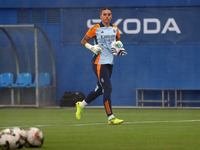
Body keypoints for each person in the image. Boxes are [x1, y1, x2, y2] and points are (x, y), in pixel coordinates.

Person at [76, 7, 124, 125]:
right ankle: (111, 118)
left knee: (101, 89)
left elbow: (116, 41)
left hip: (109, 62)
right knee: (108, 88)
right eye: (104, 14)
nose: (107, 16)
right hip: (98, 62)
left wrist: (119, 44)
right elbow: (83, 41)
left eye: (109, 14)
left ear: (111, 16)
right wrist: (91, 47)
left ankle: (81, 105)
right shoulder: (95, 28)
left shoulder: (115, 29)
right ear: (101, 16)